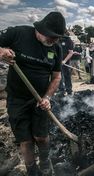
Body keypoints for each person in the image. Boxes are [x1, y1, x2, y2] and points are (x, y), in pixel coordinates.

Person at [0, 11, 66, 175]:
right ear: (41, 29)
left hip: (41, 100)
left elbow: (57, 77)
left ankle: (45, 161)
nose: (55, 40)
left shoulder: (56, 48)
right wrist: (1, 51)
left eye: (58, 37)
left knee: (41, 137)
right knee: (26, 140)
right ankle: (32, 170)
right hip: (17, 99)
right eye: (52, 37)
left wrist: (47, 97)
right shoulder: (18, 33)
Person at [58, 31, 74, 96]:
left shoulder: (68, 40)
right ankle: (61, 90)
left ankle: (69, 90)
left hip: (65, 62)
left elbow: (71, 53)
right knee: (58, 76)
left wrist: (64, 61)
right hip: (57, 62)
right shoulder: (55, 39)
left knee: (67, 75)